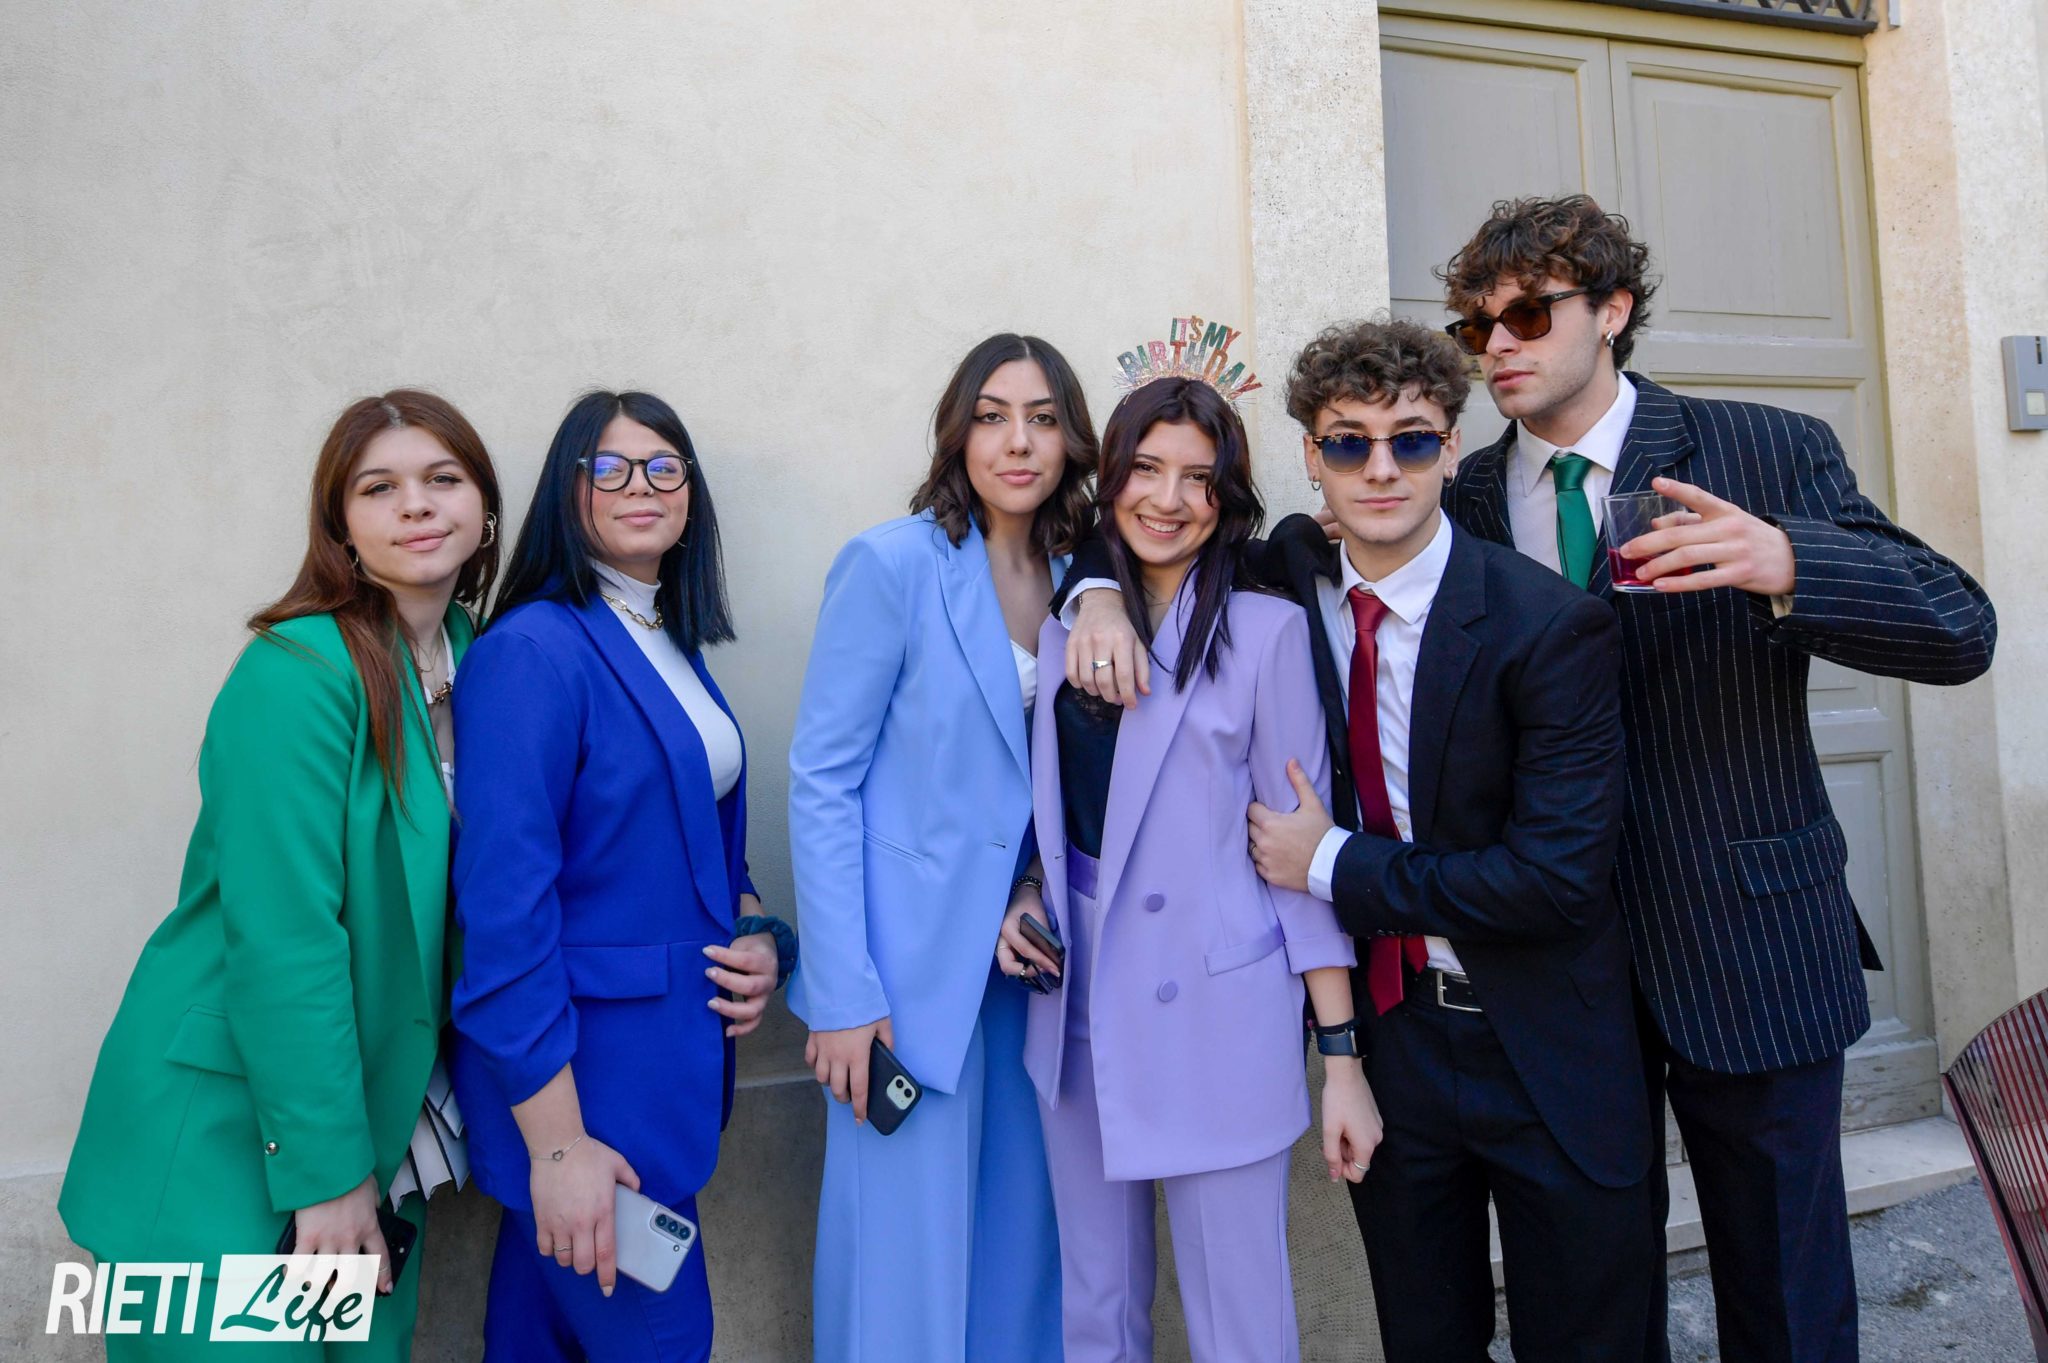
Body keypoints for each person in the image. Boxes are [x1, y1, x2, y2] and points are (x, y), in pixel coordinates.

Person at [1430, 195, 1997, 1363]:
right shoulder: (1462, 501)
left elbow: (1957, 627)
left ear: (1611, 310)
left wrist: (1787, 561)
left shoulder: (1762, 448)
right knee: (1590, 1284)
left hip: (1748, 936)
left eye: (1527, 313)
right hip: (1559, 963)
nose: (1496, 346)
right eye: (1474, 326)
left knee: (1784, 1289)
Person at [1233, 319, 1654, 1361]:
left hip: (1549, 1043)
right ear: (1312, 458)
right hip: (1394, 1042)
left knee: (1591, 1344)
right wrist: (1097, 593)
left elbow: (1552, 881)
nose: (1380, 469)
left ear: (1452, 450)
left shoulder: (1547, 625)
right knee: (1425, 1339)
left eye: (1411, 440)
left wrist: (1327, 861)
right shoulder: (1287, 583)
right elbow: (1145, 531)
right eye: (1349, 443)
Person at [60, 390, 503, 1360]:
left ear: (484, 507)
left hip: (382, 1126)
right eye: (378, 488)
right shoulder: (296, 671)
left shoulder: (483, 658)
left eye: (442, 478)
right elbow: (284, 935)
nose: (416, 504)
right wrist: (326, 1174)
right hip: (241, 1133)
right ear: (340, 527)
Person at [1004, 367, 1377, 1363]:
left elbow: (1300, 860)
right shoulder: (1063, 624)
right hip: (1077, 1000)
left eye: (1198, 478)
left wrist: (1341, 1060)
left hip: (1214, 1012)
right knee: (1096, 1309)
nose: (1167, 499)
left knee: (1239, 1323)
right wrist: (1028, 889)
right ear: (1112, 476)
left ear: (1226, 497)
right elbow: (1056, 817)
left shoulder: (1264, 632)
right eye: (1146, 469)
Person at [449, 391, 792, 1362]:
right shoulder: (531, 652)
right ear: (569, 491)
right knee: (668, 1340)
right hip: (585, 1097)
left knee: (532, 1342)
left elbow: (689, 837)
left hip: (661, 1073)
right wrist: (559, 1148)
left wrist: (758, 929)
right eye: (609, 466)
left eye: (663, 466)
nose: (640, 485)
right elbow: (504, 917)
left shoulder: (662, 637)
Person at [787, 333, 1094, 1363]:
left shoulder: (1080, 576)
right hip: (901, 984)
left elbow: (1055, 776)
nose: (1018, 441)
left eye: (1043, 418)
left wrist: (1028, 886)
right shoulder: (891, 564)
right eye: (993, 416)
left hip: (1024, 971)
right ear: (957, 432)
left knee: (1019, 1256)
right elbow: (821, 780)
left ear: (1071, 439)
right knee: (900, 1271)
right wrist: (843, 993)